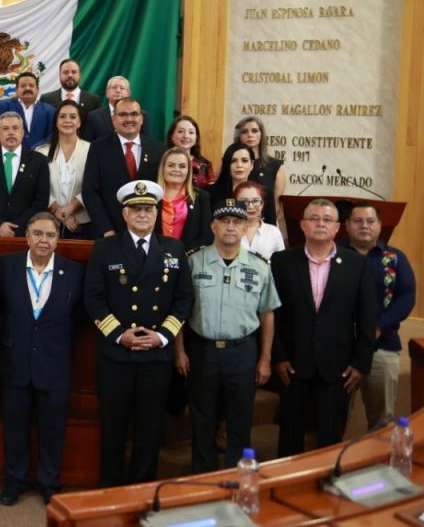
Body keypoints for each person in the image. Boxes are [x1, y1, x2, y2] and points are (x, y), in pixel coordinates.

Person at [84, 180, 193, 486]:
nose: (142, 214)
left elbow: (184, 299)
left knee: (149, 431)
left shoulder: (174, 249)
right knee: (113, 429)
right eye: (135, 209)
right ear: (125, 214)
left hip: (156, 356)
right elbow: (93, 299)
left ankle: (141, 493)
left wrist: (163, 336)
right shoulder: (105, 249)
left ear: (157, 213)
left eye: (148, 209)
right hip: (116, 355)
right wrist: (120, 335)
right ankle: (109, 493)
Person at [174, 200, 279, 472]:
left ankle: (236, 481)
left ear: (245, 227)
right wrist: (180, 350)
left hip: (242, 352)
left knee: (240, 422)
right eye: (224, 221)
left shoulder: (259, 266)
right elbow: (180, 311)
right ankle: (202, 481)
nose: (230, 227)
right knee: (202, 421)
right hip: (202, 351)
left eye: (237, 222)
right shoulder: (194, 261)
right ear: (213, 226)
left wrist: (265, 358)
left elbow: (267, 314)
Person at [272, 198, 376, 456]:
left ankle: (328, 480)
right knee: (289, 438)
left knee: (330, 438)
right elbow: (273, 313)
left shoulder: (358, 264)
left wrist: (361, 362)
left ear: (337, 227)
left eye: (327, 219)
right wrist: (278, 356)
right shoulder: (282, 261)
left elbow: (367, 318)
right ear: (303, 225)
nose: (320, 223)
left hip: (338, 366)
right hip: (293, 365)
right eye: (314, 218)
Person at [0, 212, 85, 506]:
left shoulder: (74, 272)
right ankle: (14, 481)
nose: (43, 240)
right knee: (14, 427)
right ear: (27, 236)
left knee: (52, 428)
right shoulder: (6, 267)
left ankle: (50, 483)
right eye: (37, 233)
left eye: (50, 235)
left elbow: (79, 317)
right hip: (15, 360)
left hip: (54, 361)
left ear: (58, 240)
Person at [344, 203, 416, 426]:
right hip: (340, 349)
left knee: (382, 421)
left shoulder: (395, 258)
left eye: (370, 221)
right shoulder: (333, 254)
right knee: (334, 417)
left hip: (383, 345)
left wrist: (378, 327)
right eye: (357, 221)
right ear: (346, 225)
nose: (364, 226)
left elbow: (406, 297)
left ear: (379, 225)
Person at [82, 97, 165, 237]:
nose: (129, 119)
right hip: (111, 232)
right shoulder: (98, 148)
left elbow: (162, 192)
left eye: (134, 114)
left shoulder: (158, 149)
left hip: (149, 231)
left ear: (141, 119)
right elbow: (90, 192)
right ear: (114, 119)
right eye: (123, 114)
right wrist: (106, 228)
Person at [0, 111, 49, 237]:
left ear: (22, 133)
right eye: (5, 129)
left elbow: (41, 201)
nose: (11, 132)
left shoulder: (39, 161)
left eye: (15, 128)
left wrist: (19, 226)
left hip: (25, 233)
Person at [36, 100, 91, 238]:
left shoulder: (92, 151)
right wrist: (59, 211)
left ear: (79, 122)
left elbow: (94, 186)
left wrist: (71, 208)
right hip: (48, 223)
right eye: (62, 116)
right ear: (56, 122)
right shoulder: (41, 152)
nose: (67, 120)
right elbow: (37, 188)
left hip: (82, 222)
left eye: (72, 117)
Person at [155, 147, 211, 251]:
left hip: (188, 256)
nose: (176, 170)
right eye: (171, 165)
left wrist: (183, 254)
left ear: (188, 170)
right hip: (156, 256)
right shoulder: (152, 196)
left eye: (182, 166)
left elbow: (206, 236)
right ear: (163, 168)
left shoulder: (201, 197)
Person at [234, 116, 286, 226]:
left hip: (265, 225)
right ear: (239, 136)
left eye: (254, 131)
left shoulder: (275, 166)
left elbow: (276, 206)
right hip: (235, 224)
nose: (250, 135)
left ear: (261, 135)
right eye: (244, 131)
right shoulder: (229, 163)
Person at [0, 72, 55, 150]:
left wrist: (37, 149)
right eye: (23, 86)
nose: (27, 88)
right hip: (11, 153)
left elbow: (51, 135)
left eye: (31, 85)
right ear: (16, 89)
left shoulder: (49, 110)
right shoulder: (4, 106)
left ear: (37, 89)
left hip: (39, 154)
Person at [82, 76, 150, 142]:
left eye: (122, 88)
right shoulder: (93, 116)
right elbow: (88, 143)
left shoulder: (140, 115)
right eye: (114, 87)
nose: (118, 90)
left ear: (128, 93)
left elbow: (146, 141)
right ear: (107, 92)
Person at [39, 58, 101, 129]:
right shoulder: (46, 99)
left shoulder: (93, 100)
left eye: (74, 72)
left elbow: (97, 127)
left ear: (79, 75)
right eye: (66, 72)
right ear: (59, 75)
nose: (70, 75)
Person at [235, 180, 285, 258]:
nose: (250, 206)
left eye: (255, 201)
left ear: (262, 204)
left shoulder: (273, 232)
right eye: (244, 201)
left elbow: (281, 262)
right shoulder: (227, 230)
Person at [166, 115, 215, 188]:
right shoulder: (163, 161)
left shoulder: (205, 164)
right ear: (172, 136)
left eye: (191, 132)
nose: (186, 136)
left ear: (196, 138)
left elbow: (212, 191)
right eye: (181, 131)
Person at [210, 143, 257, 208]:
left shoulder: (262, 193)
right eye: (233, 161)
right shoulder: (209, 194)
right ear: (226, 164)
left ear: (252, 164)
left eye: (244, 161)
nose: (239, 165)